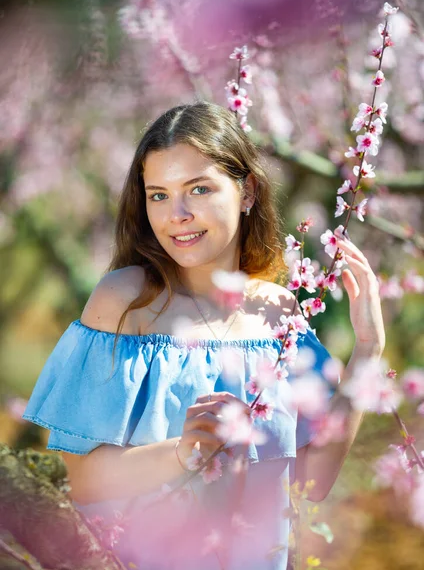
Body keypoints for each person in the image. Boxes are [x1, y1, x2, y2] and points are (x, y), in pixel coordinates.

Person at [23, 101, 385, 570]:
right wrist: (180, 453)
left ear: (248, 191)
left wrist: (369, 350)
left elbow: (311, 481)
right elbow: (78, 479)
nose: (177, 214)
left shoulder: (279, 313)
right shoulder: (125, 301)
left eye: (198, 189)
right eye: (158, 195)